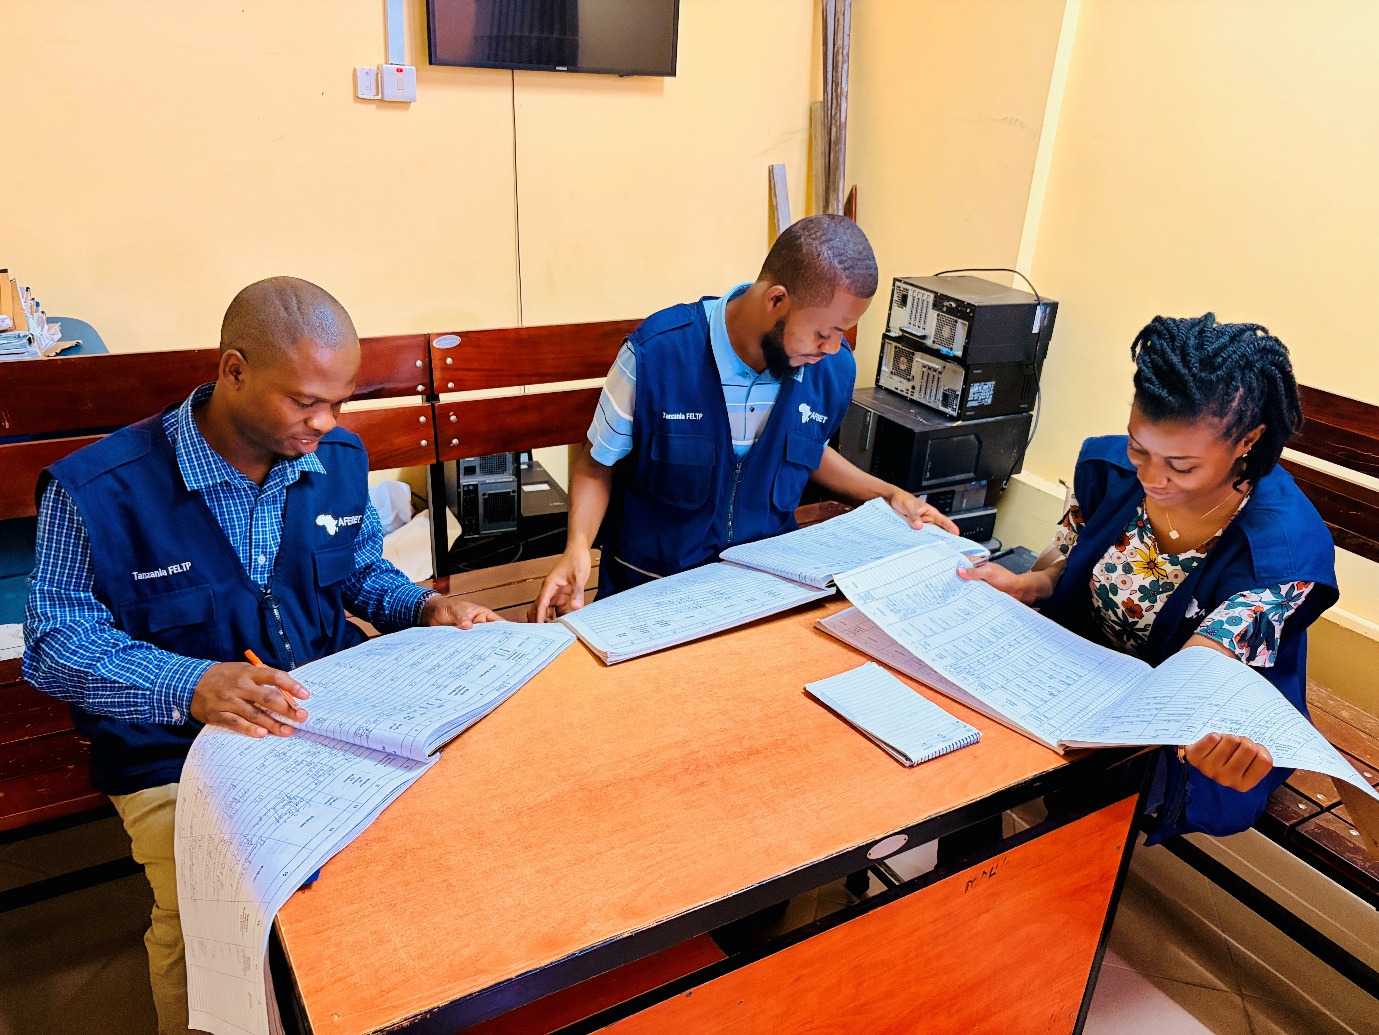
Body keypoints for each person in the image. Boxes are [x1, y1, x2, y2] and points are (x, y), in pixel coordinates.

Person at [23, 277, 499, 1035]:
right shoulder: (98, 491)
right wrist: (190, 683)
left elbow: (358, 570)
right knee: (214, 904)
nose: (326, 423)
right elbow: (55, 645)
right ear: (235, 370)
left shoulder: (336, 456)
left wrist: (423, 606)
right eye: (305, 402)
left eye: (339, 402)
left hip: (329, 711)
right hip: (174, 747)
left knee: (420, 844)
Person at [959, 313, 1337, 841]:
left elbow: (1201, 670)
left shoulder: (1283, 552)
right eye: (1140, 448)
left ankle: (1049, 861)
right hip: (1083, 671)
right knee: (963, 730)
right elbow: (1067, 560)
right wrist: (1029, 584)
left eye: (1181, 466)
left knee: (1072, 796)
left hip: (1191, 716)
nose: (1152, 478)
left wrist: (1184, 727)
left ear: (1247, 441)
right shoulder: (1108, 469)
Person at [531, 215, 957, 621]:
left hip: (764, 594)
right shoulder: (657, 355)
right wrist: (577, 545)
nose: (830, 349)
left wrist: (889, 495)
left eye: (841, 334)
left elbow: (804, 449)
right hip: (651, 591)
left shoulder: (830, 370)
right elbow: (597, 462)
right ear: (776, 300)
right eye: (822, 333)